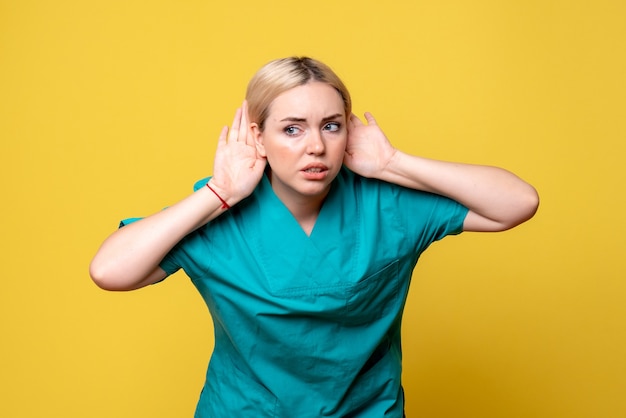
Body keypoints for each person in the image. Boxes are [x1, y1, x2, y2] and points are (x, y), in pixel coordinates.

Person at [90, 56, 539, 417]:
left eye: (331, 125)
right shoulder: (216, 215)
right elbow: (110, 270)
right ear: (257, 137)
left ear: (349, 131)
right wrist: (220, 192)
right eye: (291, 128)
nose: (316, 147)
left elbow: (517, 203)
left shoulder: (387, 204)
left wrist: (391, 163)